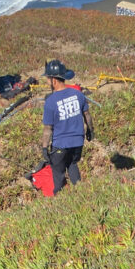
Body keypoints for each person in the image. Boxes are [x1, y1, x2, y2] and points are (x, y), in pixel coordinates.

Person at [41, 59, 94, 195]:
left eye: (47, 79)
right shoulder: (78, 94)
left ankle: (58, 197)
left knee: (58, 172)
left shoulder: (50, 102)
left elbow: (48, 129)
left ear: (54, 80)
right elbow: (87, 115)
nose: (46, 82)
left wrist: (44, 147)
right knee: (72, 164)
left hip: (60, 144)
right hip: (78, 142)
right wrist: (90, 130)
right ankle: (81, 193)